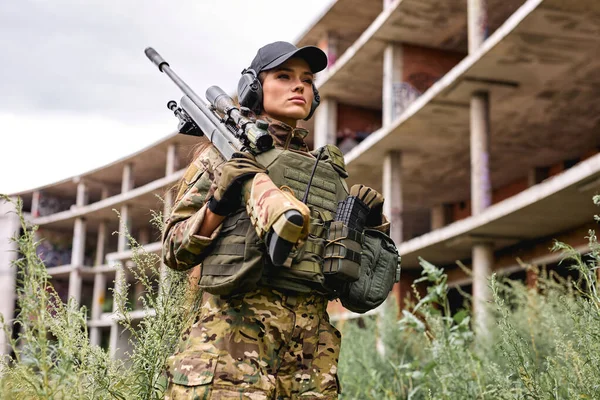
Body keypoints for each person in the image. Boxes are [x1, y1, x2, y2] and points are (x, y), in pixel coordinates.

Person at [162, 41, 390, 399]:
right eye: (283, 76)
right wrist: (218, 205)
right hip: (231, 344)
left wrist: (368, 226)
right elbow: (175, 252)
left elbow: (357, 283)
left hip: (311, 356)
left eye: (307, 79)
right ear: (255, 88)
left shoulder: (330, 175)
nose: (299, 86)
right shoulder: (224, 157)